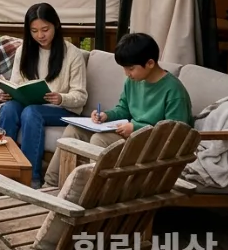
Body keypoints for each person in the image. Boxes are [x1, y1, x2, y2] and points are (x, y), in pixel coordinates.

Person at [43, 32, 193, 187]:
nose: (127, 73)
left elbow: (175, 133)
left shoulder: (174, 91)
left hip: (151, 145)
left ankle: (88, 192)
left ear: (150, 63)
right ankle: (50, 185)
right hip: (132, 135)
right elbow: (123, 109)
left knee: (99, 140)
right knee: (73, 130)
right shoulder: (133, 81)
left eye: (130, 68)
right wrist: (106, 116)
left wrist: (136, 128)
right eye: (125, 68)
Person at [0, 3, 88, 188]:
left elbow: (81, 95)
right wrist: (9, 93)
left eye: (45, 29)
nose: (40, 35)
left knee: (31, 112)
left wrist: (61, 98)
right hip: (32, 105)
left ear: (56, 25)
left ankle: (30, 178)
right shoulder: (25, 51)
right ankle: (1, 170)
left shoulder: (72, 54)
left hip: (64, 110)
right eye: (34, 30)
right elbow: (17, 83)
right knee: (9, 109)